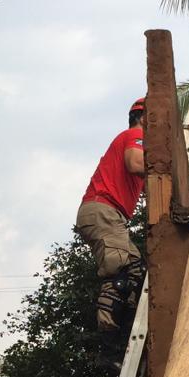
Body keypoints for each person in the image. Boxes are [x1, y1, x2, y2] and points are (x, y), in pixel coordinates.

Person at [76, 96, 147, 340]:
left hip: (104, 213)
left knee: (136, 268)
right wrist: (164, 162)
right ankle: (109, 342)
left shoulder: (133, 141)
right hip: (103, 210)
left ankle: (124, 327)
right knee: (122, 269)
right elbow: (135, 163)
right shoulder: (135, 135)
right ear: (143, 117)